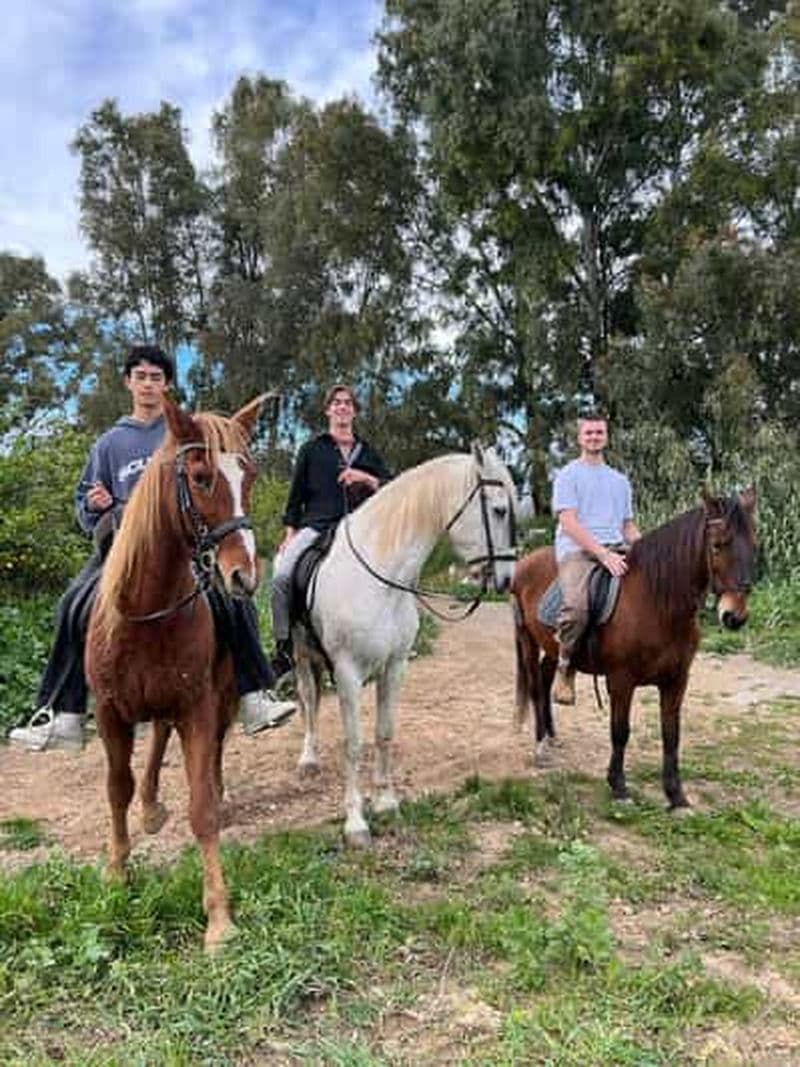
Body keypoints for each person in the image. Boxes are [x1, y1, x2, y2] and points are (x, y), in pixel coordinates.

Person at [9, 345, 295, 752]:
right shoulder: (109, 444)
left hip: (184, 549)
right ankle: (62, 713)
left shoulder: (184, 432)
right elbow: (84, 499)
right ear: (128, 382)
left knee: (235, 602)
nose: (148, 384)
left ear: (167, 385)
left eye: (156, 377)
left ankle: (255, 694)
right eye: (140, 376)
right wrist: (92, 506)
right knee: (72, 604)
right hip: (123, 548)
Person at [270, 383, 392, 679]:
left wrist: (365, 477)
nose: (342, 407)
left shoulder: (369, 453)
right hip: (317, 525)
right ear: (328, 410)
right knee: (281, 576)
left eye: (348, 403)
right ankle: (284, 647)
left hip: (360, 531)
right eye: (337, 402)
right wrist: (290, 534)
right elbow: (295, 495)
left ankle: (386, 641)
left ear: (354, 411)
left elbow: (391, 490)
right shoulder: (312, 449)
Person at [551, 412, 641, 705]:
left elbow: (627, 525)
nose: (594, 437)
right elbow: (569, 523)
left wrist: (648, 549)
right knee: (576, 608)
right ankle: (565, 667)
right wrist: (601, 554)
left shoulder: (620, 481)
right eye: (588, 433)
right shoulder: (568, 475)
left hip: (616, 547)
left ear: (606, 436)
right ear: (580, 438)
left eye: (599, 432)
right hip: (577, 551)